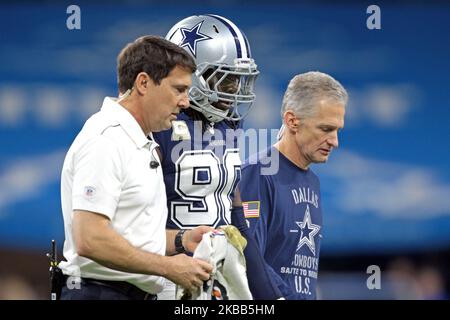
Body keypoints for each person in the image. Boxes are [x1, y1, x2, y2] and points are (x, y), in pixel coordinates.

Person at [59, 35, 213, 300]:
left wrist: (182, 240)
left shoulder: (139, 139)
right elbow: (89, 238)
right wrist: (168, 267)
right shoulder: (107, 139)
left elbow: (130, 234)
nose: (186, 102)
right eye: (179, 89)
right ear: (143, 83)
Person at [154, 14, 282, 300]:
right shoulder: (159, 123)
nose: (234, 90)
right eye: (224, 80)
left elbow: (236, 216)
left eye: (238, 80)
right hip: (166, 277)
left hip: (217, 278)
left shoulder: (228, 125)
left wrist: (269, 294)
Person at [239, 71, 348, 299]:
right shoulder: (258, 174)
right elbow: (248, 257)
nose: (335, 142)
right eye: (326, 129)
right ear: (292, 121)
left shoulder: (313, 183)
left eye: (338, 130)